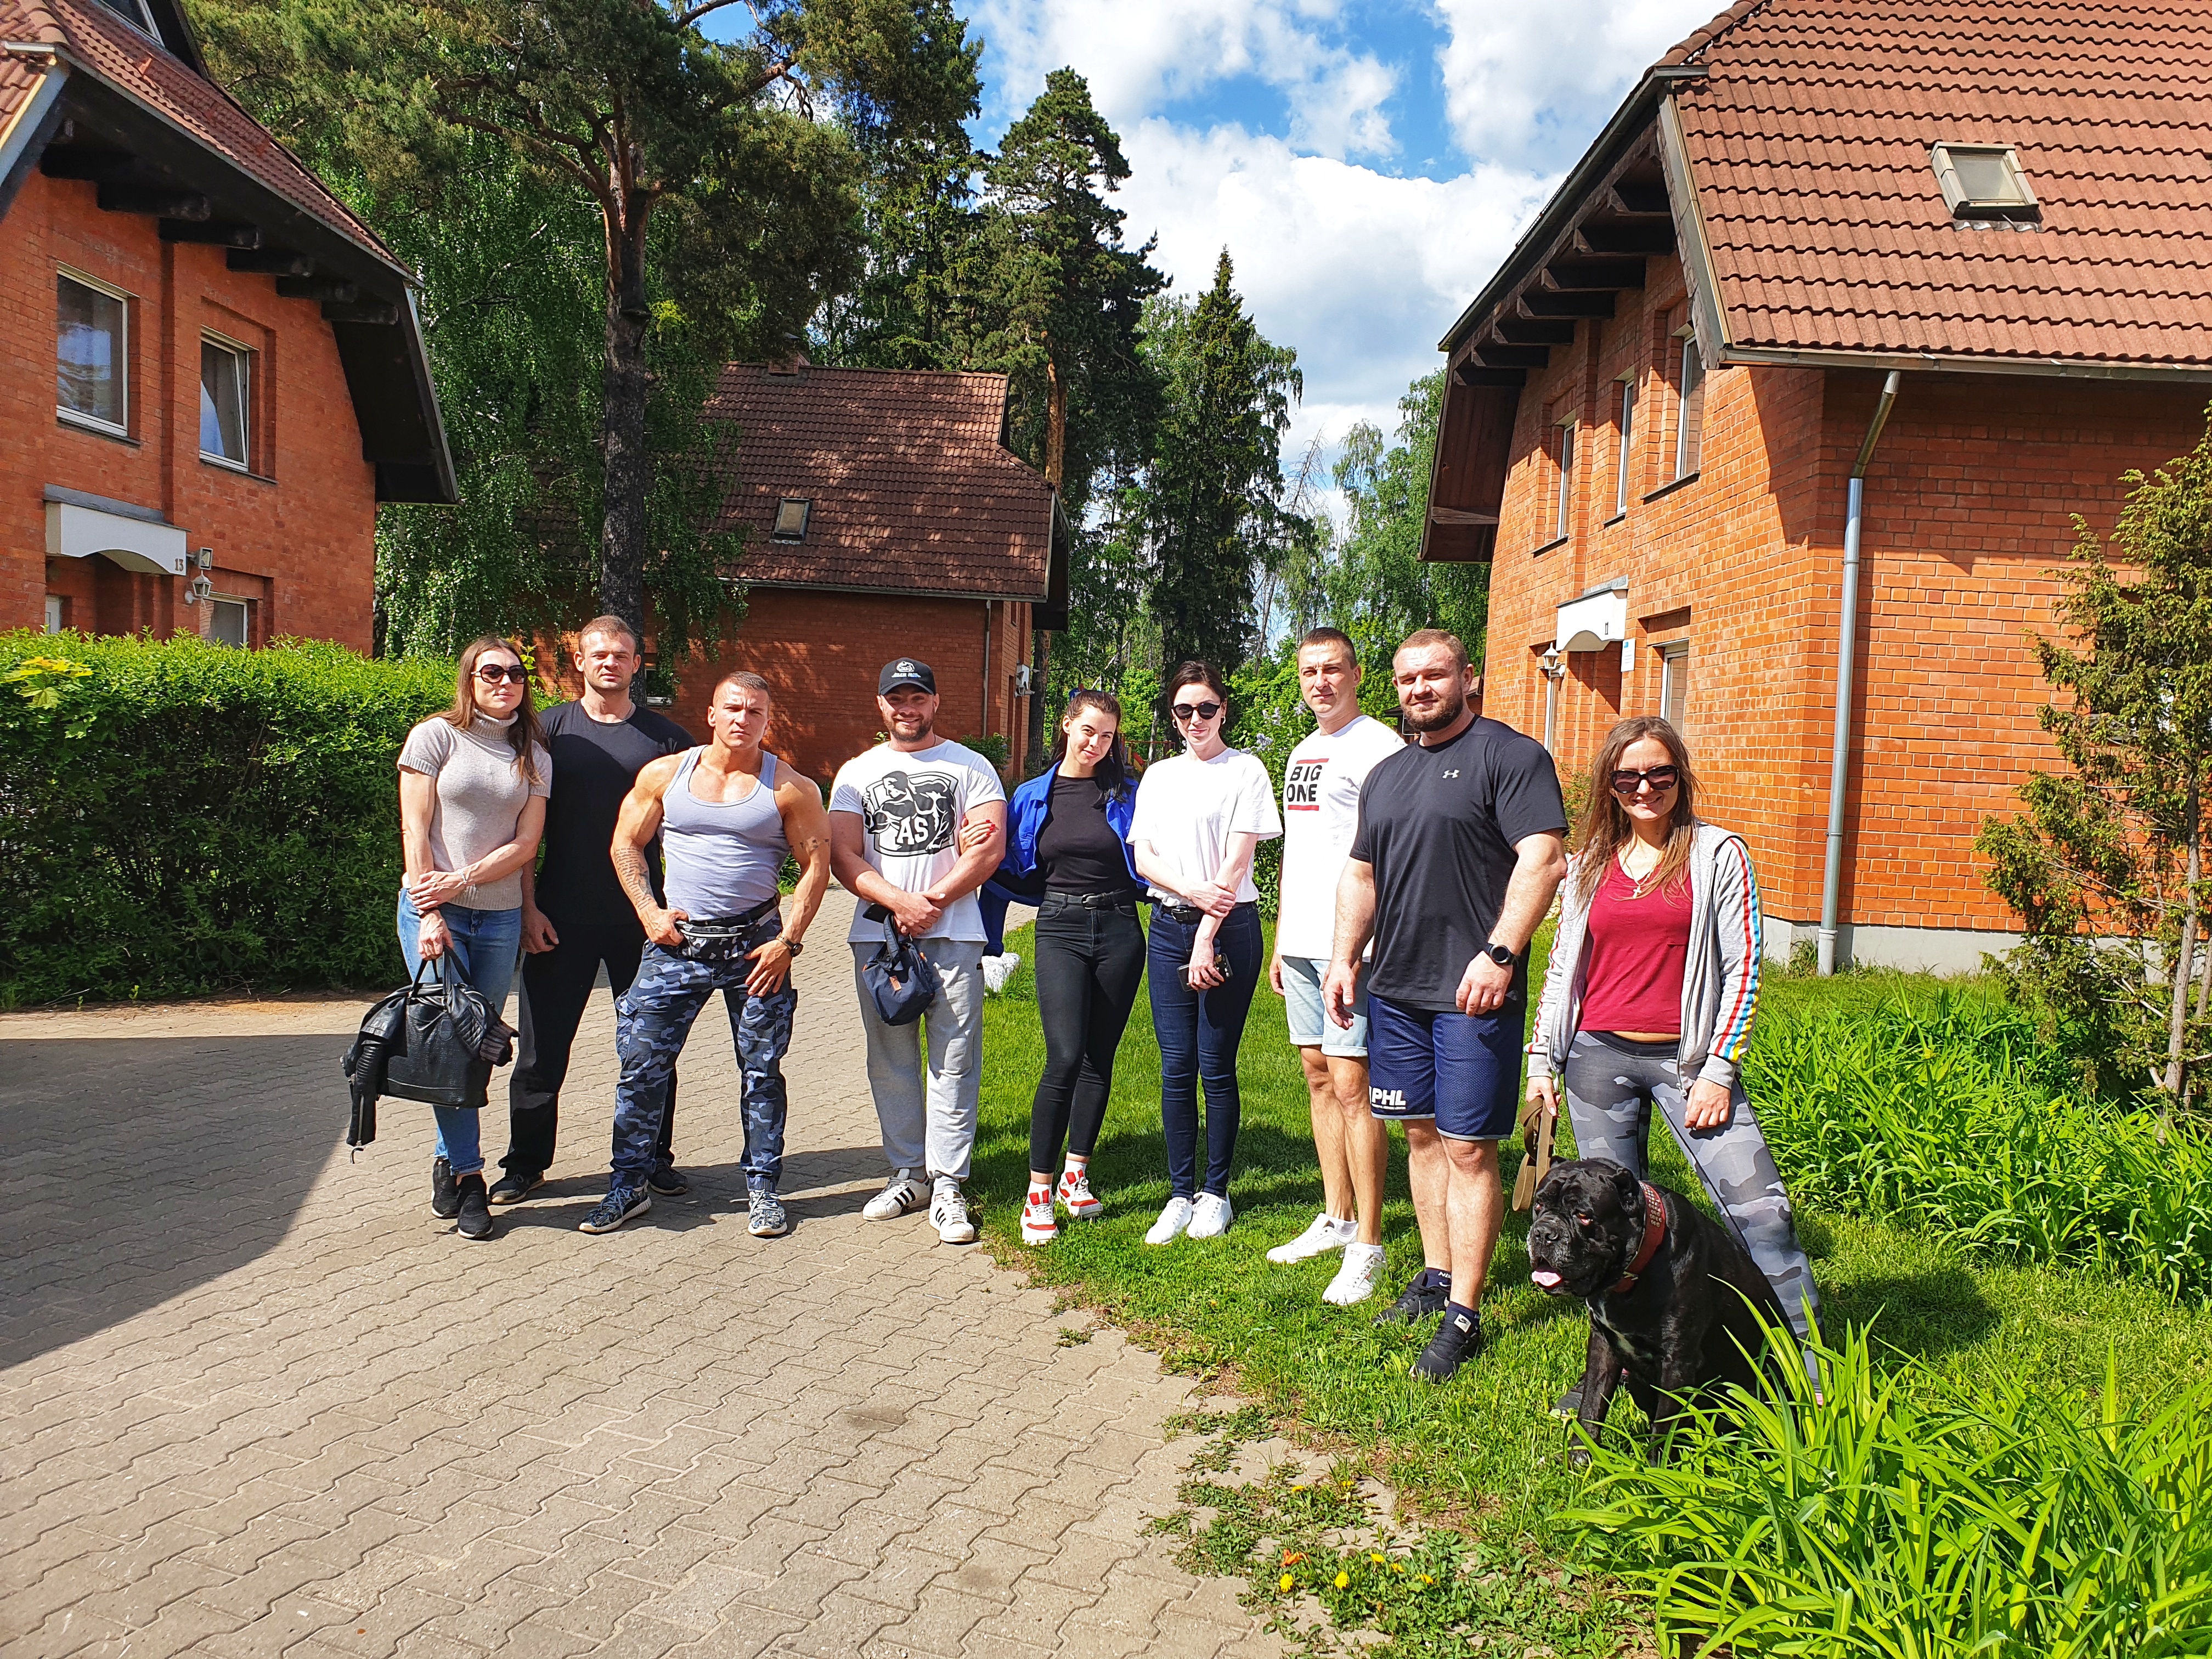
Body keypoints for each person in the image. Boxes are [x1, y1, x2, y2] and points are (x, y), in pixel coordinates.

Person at [1529, 716, 1822, 1391]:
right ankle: (1613, 1368)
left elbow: (1745, 967)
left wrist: (1719, 1069)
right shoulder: (1592, 864)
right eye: (1628, 776)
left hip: (1688, 1065)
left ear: (1680, 777)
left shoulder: (1718, 854)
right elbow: (1561, 973)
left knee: (1764, 1217)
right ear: (1609, 785)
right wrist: (1541, 1064)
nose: (1644, 787)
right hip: (1596, 1062)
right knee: (1600, 1231)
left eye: (1659, 773)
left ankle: (1812, 1374)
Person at [1325, 629, 1567, 1381]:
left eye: (1435, 676)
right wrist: (1342, 958)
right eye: (1406, 679)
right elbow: (1361, 875)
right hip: (1395, 988)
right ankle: (1434, 1277)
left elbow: (1544, 857)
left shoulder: (1512, 756)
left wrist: (1501, 953)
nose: (1419, 689)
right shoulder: (1388, 775)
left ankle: (1465, 1310)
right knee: (1421, 1136)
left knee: (1469, 1146)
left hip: (1473, 993)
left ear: (1469, 677)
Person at [580, 672, 832, 1237]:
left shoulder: (790, 787)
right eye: (733, 708)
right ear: (712, 714)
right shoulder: (667, 775)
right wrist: (648, 910)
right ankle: (628, 1186)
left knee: (762, 1073)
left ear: (769, 721)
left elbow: (817, 867)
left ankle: (764, 1189)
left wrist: (788, 942)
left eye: (756, 712)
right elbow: (626, 843)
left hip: (756, 951)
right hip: (677, 947)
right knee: (641, 1066)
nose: (743, 720)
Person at [493, 616, 692, 1206]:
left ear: (638, 665)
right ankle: (525, 1164)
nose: (610, 663)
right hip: (559, 915)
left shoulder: (668, 741)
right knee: (540, 1050)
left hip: (644, 921)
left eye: (623, 655)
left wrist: (671, 911)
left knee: (652, 1047)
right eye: (598, 653)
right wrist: (529, 909)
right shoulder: (548, 731)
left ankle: (653, 1158)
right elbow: (524, 831)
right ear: (578, 660)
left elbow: (684, 835)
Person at [830, 659, 1009, 1245]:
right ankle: (908, 1173)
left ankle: (949, 1180)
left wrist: (928, 901)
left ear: (935, 703)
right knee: (890, 1057)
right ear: (881, 705)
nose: (907, 708)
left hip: (953, 932)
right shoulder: (857, 773)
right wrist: (899, 905)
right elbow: (844, 855)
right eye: (896, 699)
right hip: (879, 936)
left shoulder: (970, 767)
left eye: (918, 698)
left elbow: (989, 849)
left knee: (954, 1057)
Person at [395, 636, 551, 1243]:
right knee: (453, 1046)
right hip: (437, 916)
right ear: (470, 678)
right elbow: (415, 825)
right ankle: (469, 1177)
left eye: (516, 673)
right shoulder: (435, 736)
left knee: (477, 1045)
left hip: (500, 917)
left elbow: (526, 844)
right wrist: (430, 906)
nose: (505, 681)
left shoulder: (533, 754)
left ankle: (444, 1157)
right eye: (492, 671)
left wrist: (465, 877)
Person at [1266, 628, 1403, 1304]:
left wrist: (1356, 947)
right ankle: (1336, 1218)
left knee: (1355, 1086)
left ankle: (1370, 1245)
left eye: (1332, 670)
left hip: (1354, 947)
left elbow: (1390, 854)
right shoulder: (1303, 750)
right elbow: (1301, 852)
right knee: (1318, 1077)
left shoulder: (1379, 746)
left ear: (1356, 674)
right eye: (1309, 672)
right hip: (1302, 940)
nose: (1320, 682)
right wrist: (1282, 941)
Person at [1129, 661, 1282, 1245]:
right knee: (1175, 1068)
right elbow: (1145, 859)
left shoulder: (1245, 771)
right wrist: (1188, 899)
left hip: (1228, 929)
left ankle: (1215, 1193)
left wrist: (1205, 937)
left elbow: (1236, 865)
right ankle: (1178, 1193)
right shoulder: (1160, 776)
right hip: (1168, 925)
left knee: (1215, 1067)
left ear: (1224, 710)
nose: (1196, 720)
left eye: (1207, 709)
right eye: (1184, 711)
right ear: (1173, 717)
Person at [996, 690, 1146, 1245]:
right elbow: (1005, 862)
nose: (1095, 742)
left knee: (1099, 1056)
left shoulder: (1127, 793)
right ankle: (1038, 1190)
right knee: (1063, 1055)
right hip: (1059, 927)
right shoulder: (1035, 794)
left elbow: (1154, 854)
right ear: (1066, 727)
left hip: (1120, 930)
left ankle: (1075, 1174)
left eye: (1106, 734)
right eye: (1087, 730)